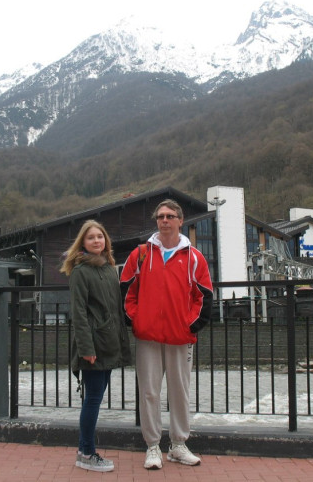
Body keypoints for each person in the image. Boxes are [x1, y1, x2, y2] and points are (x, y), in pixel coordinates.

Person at [120, 199, 213, 470]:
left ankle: (178, 445)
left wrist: (189, 325)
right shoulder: (140, 254)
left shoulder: (194, 258)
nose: (164, 220)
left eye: (170, 216)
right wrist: (136, 320)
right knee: (149, 392)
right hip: (147, 336)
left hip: (180, 336)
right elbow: (126, 290)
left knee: (180, 392)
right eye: (160, 216)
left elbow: (204, 295)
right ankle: (152, 446)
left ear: (180, 221)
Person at [60, 220, 132, 473]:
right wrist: (86, 349)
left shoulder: (109, 268)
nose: (96, 241)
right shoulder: (80, 271)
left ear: (105, 241)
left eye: (100, 237)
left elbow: (115, 309)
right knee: (92, 399)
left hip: (109, 343)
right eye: (91, 238)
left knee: (95, 398)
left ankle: (85, 451)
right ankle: (86, 453)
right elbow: (79, 313)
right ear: (83, 242)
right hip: (93, 345)